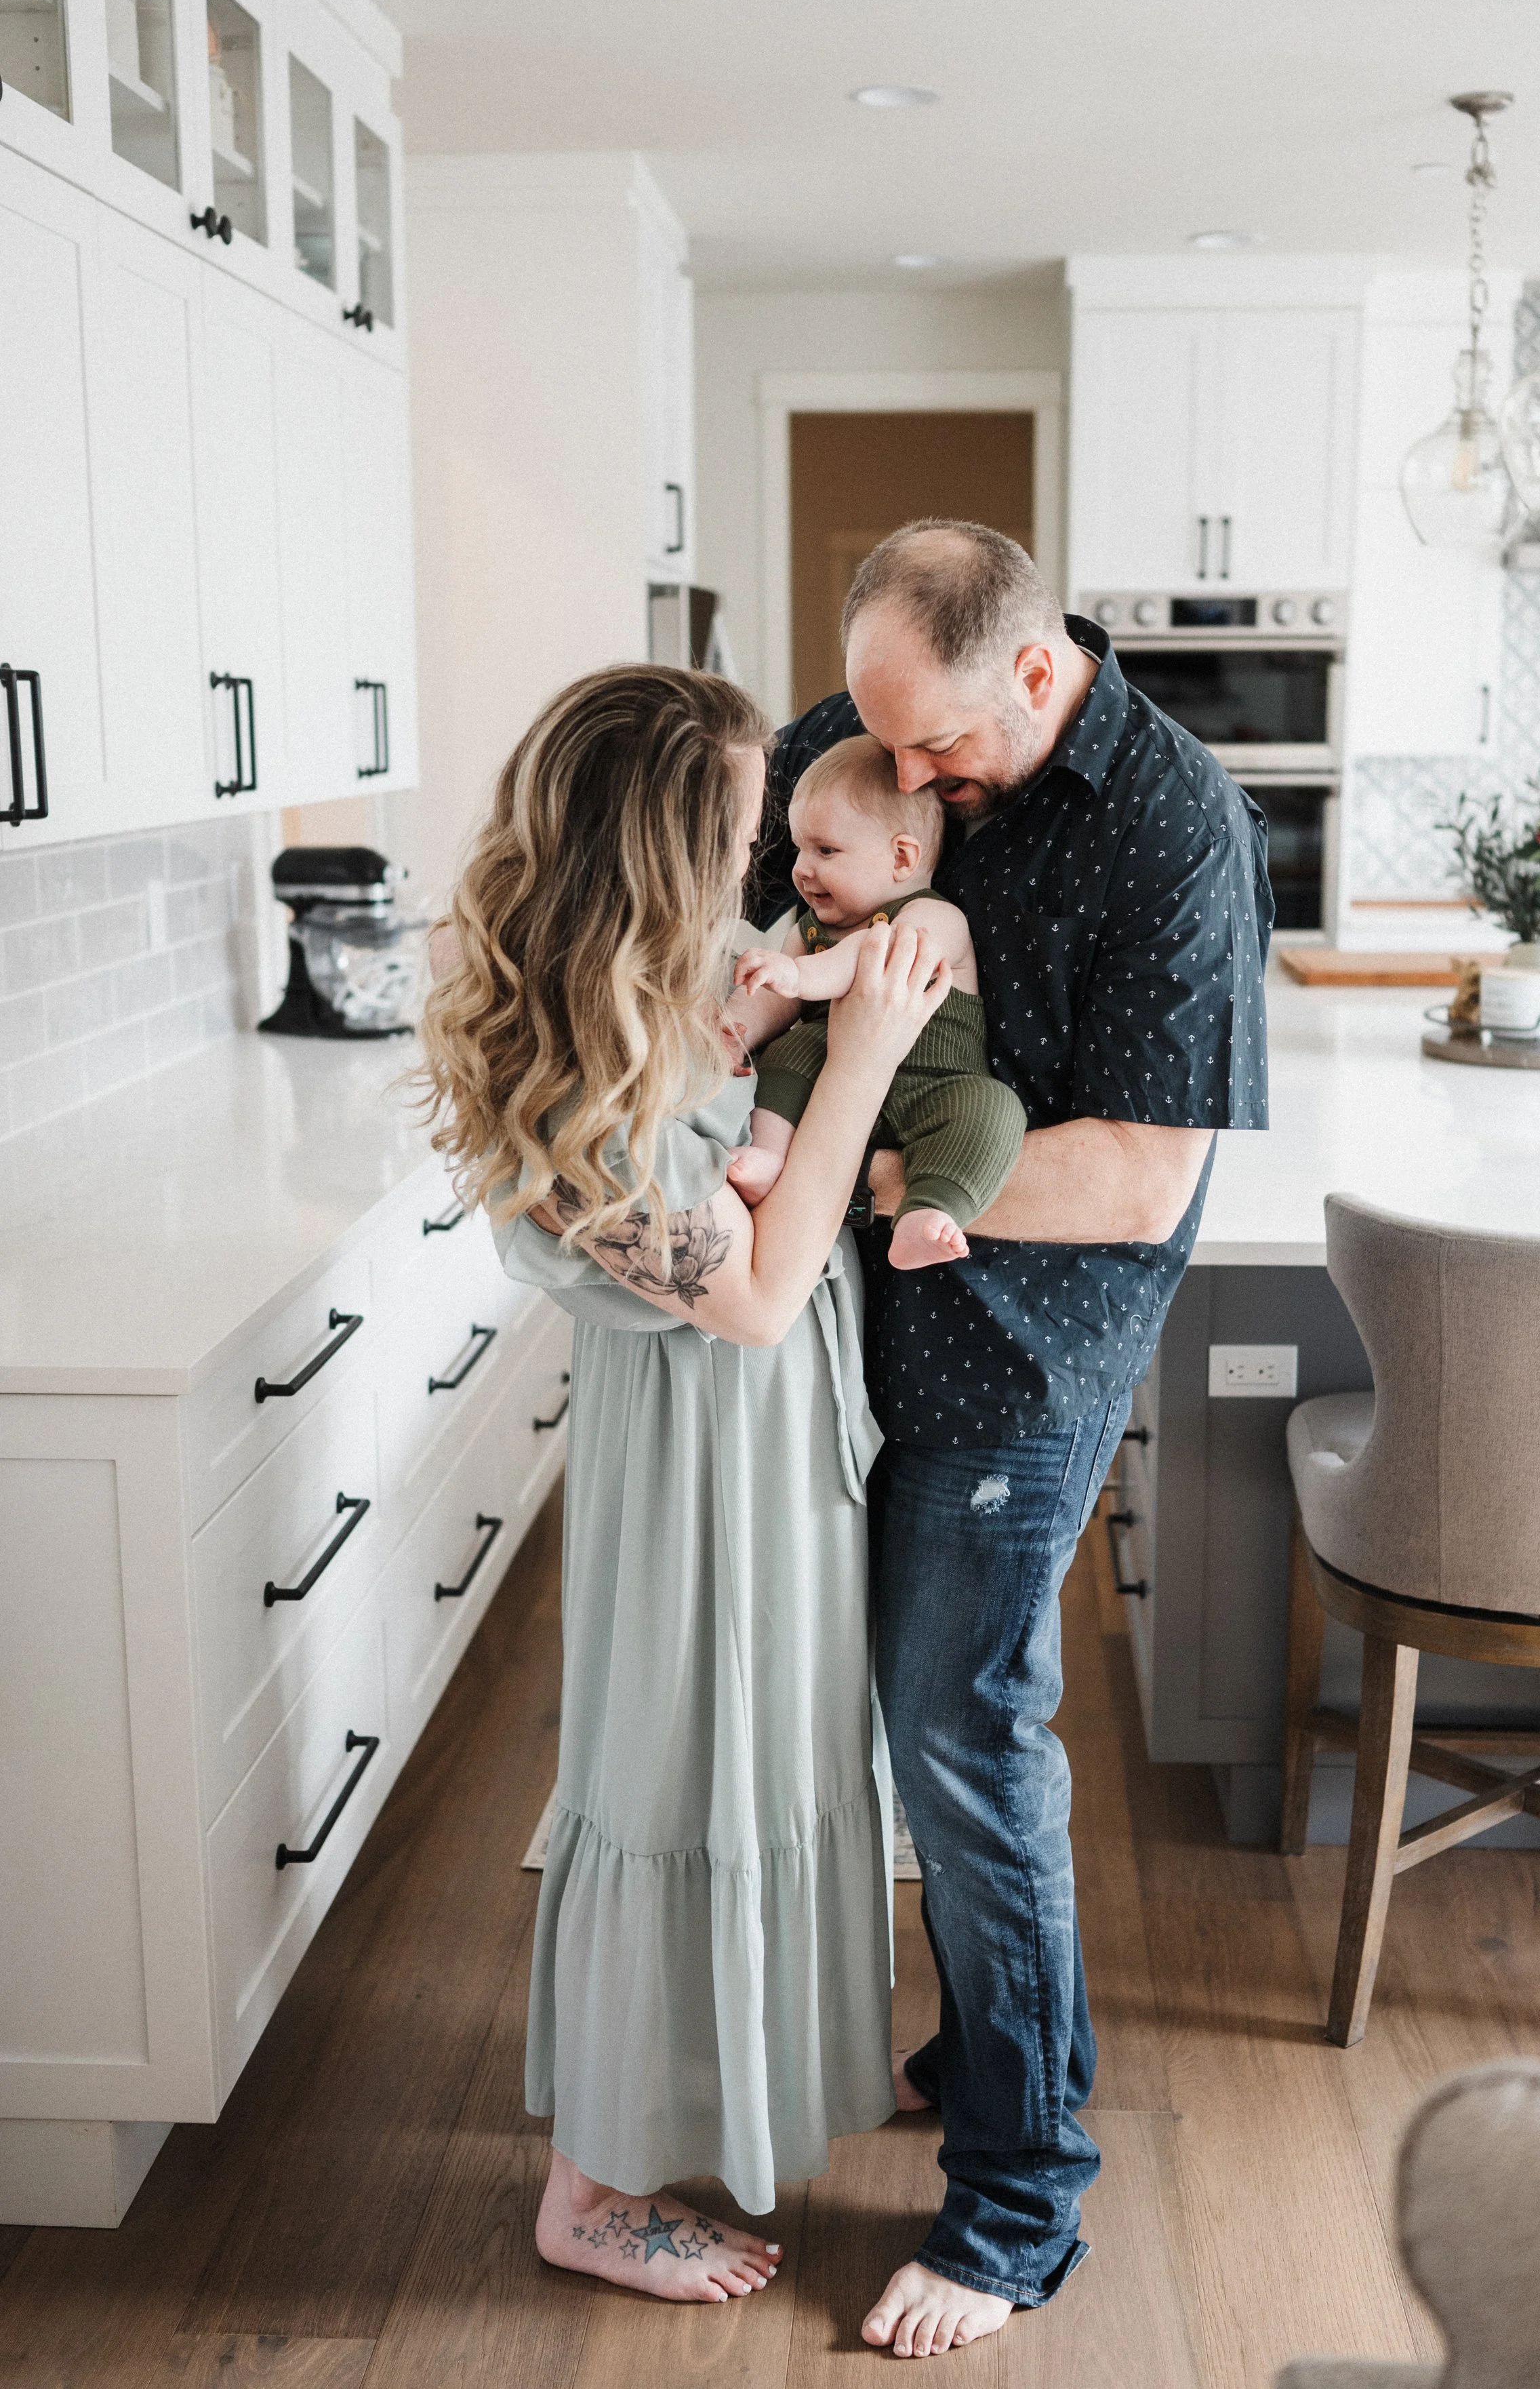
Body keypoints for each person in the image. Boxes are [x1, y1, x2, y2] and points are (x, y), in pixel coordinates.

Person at [749, 519, 1272, 2360]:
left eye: (937, 751)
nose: (902, 784)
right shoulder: (875, 720)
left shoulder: (1174, 829)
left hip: (1017, 1358)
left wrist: (856, 1173)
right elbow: (760, 940)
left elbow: (1132, 1182)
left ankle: (1017, 2197)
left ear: (1038, 671)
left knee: (962, 1737)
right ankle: (984, 2042)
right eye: (879, 746)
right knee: (893, 1726)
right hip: (835, 1333)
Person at [418, 664, 953, 2308]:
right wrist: (863, 1043)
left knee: (771, 1758)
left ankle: (716, 2091)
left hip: (781, 1445)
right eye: (731, 825)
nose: (756, 859)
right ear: (653, 847)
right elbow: (758, 1292)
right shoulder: (590, 1071)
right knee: (665, 1773)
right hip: (696, 1465)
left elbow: (789, 993)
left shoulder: (698, 966)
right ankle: (587, 2189)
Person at [728, 732, 1026, 1270]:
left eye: (825, 851)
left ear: (902, 857)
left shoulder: (936, 917)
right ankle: (769, 1156)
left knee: (994, 1112)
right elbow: (776, 1002)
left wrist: (797, 973)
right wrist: (736, 1026)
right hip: (833, 1083)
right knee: (784, 1058)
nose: (802, 869)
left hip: (935, 1086)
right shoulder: (812, 927)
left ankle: (929, 1212)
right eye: (799, 849)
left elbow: (877, 953)